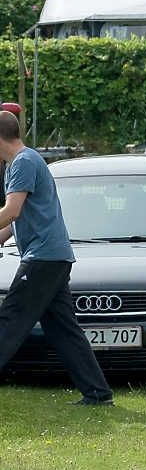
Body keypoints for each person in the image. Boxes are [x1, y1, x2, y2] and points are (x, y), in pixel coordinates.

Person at [0, 111, 113, 405]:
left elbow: (11, 210)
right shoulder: (21, 162)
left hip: (43, 258)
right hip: (53, 257)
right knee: (64, 330)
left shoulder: (23, 162)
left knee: (9, 320)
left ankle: (97, 393)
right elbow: (19, 220)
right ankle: (98, 393)